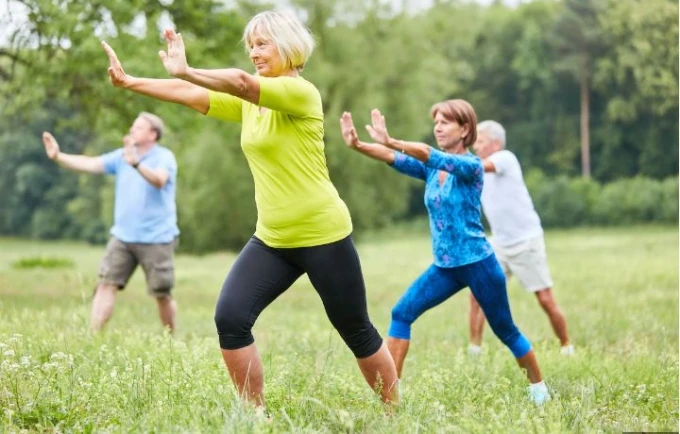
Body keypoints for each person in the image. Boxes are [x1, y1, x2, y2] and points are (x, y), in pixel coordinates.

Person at [100, 10, 399, 408]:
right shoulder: (249, 104)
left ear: (289, 46)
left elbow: (240, 82)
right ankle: (254, 416)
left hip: (322, 233)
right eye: (251, 46)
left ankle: (395, 413)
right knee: (230, 318)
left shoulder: (300, 93)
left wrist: (187, 69)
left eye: (263, 44)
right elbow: (193, 96)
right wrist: (130, 82)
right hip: (272, 238)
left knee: (355, 329)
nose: (254, 53)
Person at [339, 102, 551, 405]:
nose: (437, 126)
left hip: (478, 263)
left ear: (465, 129)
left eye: (445, 122)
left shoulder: (472, 167)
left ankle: (539, 389)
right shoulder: (431, 170)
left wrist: (393, 139)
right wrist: (359, 145)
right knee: (401, 313)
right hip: (445, 267)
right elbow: (394, 158)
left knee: (506, 330)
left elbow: (426, 153)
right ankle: (391, 399)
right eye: (436, 121)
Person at [41, 112, 180, 333]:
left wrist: (136, 164)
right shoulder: (121, 157)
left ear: (153, 134)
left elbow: (159, 180)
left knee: (162, 293)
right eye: (133, 126)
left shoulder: (164, 157)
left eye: (138, 128)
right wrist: (58, 156)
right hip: (123, 237)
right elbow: (90, 164)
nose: (132, 130)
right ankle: (93, 336)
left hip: (157, 238)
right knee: (106, 284)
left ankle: (171, 340)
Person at [469, 120, 573, 356]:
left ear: (495, 143)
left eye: (480, 141)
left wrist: (451, 159)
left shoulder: (505, 158)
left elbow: (476, 167)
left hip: (526, 241)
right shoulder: (478, 169)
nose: (476, 146)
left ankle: (567, 345)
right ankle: (474, 350)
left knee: (545, 299)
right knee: (477, 295)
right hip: (499, 244)